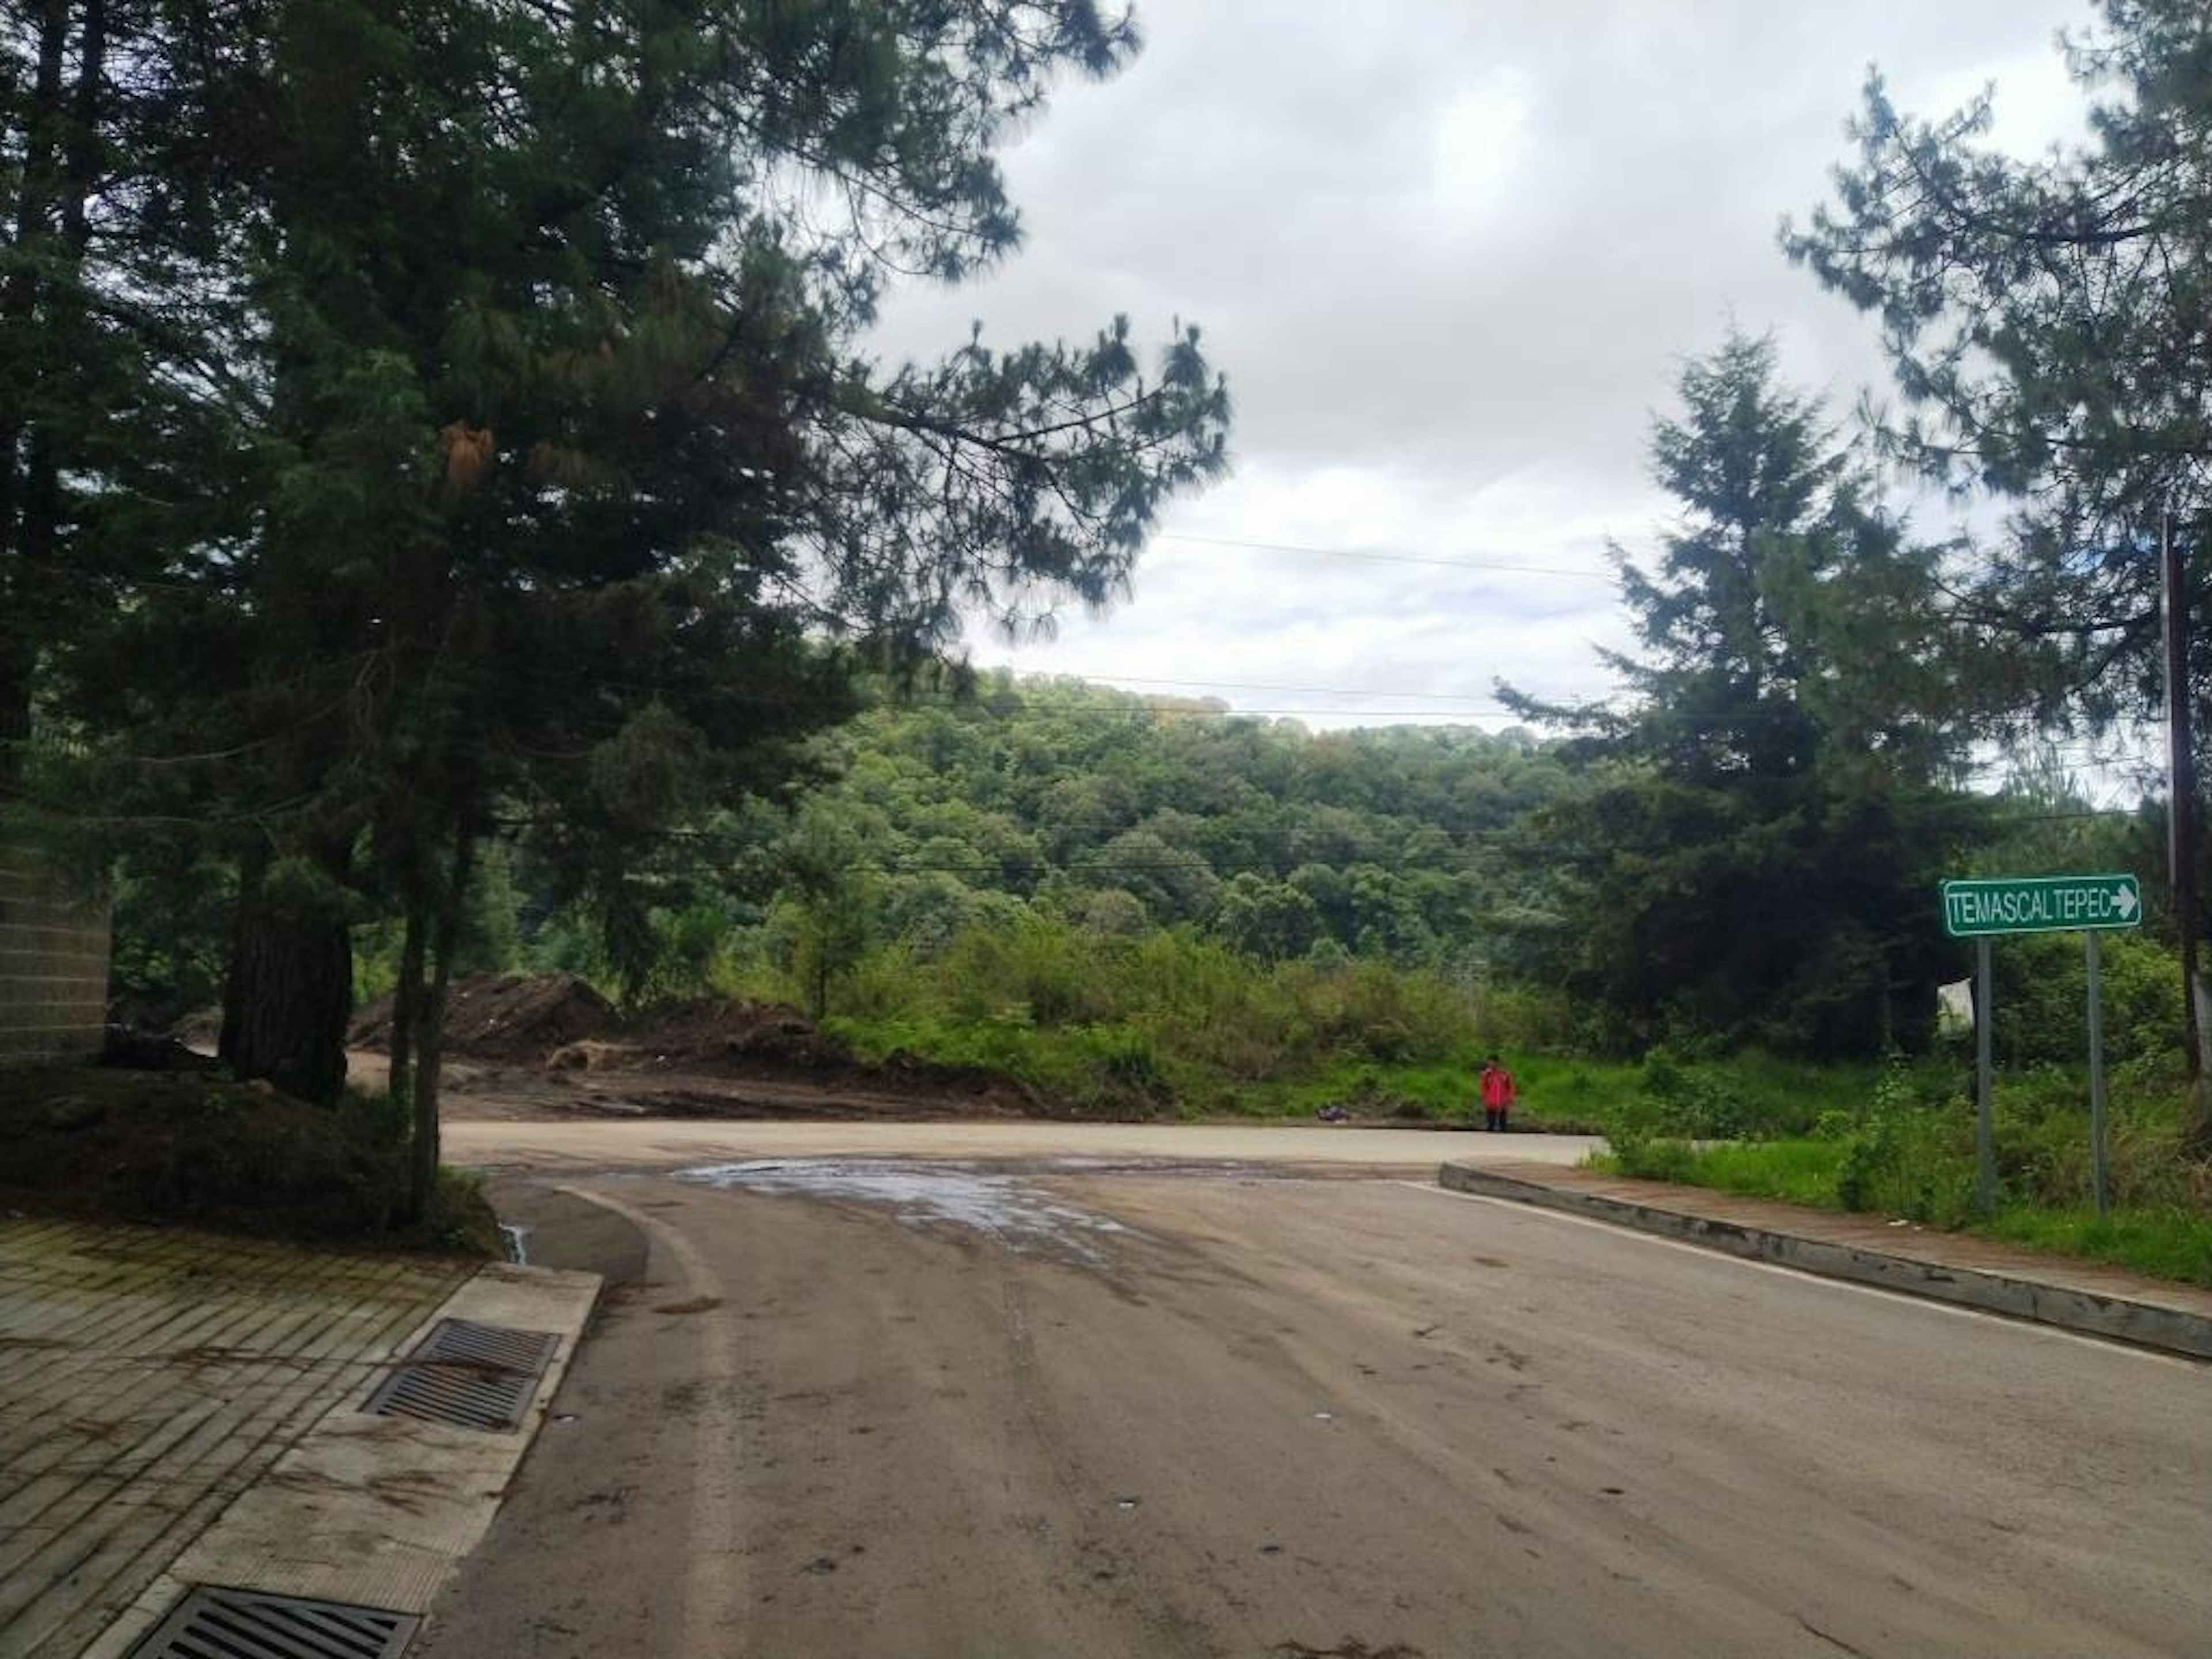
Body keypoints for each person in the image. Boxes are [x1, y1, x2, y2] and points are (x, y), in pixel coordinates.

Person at [1478, 1054, 1516, 1132]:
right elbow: (1483, 1087)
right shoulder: (1486, 1074)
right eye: (1489, 1062)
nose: (1491, 1064)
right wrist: (1484, 1098)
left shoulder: (1505, 1074)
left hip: (1503, 1101)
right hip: (1491, 1102)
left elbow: (1511, 1087)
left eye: (1492, 1062)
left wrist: (1510, 1097)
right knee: (1490, 1124)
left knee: (1503, 1124)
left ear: (1497, 1063)